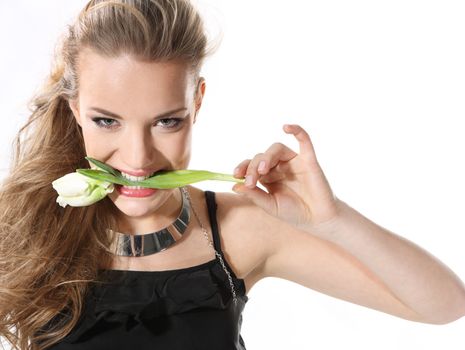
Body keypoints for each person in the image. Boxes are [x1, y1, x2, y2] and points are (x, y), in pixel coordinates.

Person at [1, 0, 464, 349]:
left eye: (167, 121)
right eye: (107, 121)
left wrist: (334, 219)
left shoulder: (237, 227)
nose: (138, 157)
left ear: (197, 103)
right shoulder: (23, 222)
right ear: (75, 108)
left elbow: (447, 305)